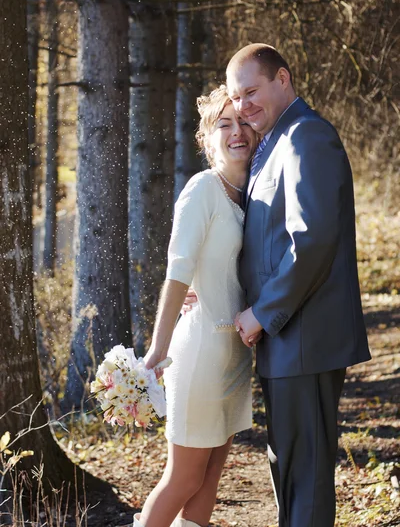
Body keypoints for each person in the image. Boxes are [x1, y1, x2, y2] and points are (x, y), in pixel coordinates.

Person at [227, 44, 371, 527]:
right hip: (285, 342)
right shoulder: (274, 144)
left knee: (304, 478)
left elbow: (310, 241)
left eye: (251, 91)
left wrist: (263, 313)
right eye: (236, 97)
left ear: (282, 79)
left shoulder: (307, 137)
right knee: (288, 472)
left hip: (303, 338)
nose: (243, 106)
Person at [133, 85, 258, 527]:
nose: (237, 131)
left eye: (243, 122)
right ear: (206, 139)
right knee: (183, 478)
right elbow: (178, 271)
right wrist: (157, 349)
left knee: (209, 479)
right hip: (201, 350)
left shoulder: (252, 194)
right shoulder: (202, 188)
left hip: (235, 356)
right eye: (224, 124)